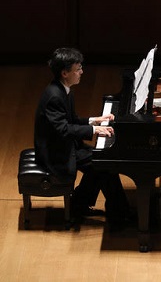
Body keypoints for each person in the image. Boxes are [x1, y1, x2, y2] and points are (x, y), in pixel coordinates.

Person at [34, 47, 131, 229]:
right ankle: (120, 215)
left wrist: (96, 120)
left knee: (101, 164)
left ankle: (80, 205)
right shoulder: (55, 96)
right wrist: (94, 130)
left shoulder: (63, 89)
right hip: (56, 152)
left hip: (65, 144)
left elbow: (71, 120)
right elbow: (63, 129)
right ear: (64, 73)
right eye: (77, 69)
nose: (81, 72)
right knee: (104, 164)